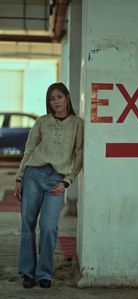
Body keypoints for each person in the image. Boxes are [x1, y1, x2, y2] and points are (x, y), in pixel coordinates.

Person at [14, 82, 83, 289]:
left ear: (67, 98)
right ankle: (27, 273)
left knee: (48, 228)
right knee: (27, 225)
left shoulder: (78, 124)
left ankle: (44, 272)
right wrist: (19, 177)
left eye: (59, 97)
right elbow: (29, 149)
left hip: (57, 180)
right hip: (34, 174)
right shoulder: (42, 122)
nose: (56, 102)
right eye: (52, 99)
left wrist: (66, 182)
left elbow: (79, 155)